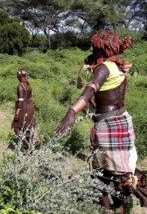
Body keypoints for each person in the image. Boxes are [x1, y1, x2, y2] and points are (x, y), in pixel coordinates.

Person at [55, 30, 138, 212]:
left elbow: (90, 90)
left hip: (108, 124)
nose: (92, 50)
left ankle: (106, 209)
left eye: (95, 47)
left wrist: (71, 112)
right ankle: (123, 206)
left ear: (102, 49)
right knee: (123, 169)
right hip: (123, 120)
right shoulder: (116, 65)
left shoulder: (103, 68)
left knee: (99, 172)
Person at [11, 69, 38, 153]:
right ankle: (31, 143)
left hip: (23, 107)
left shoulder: (20, 86)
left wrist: (17, 113)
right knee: (27, 125)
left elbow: (21, 100)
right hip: (30, 106)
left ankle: (29, 147)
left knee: (16, 128)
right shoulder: (28, 84)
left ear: (19, 77)